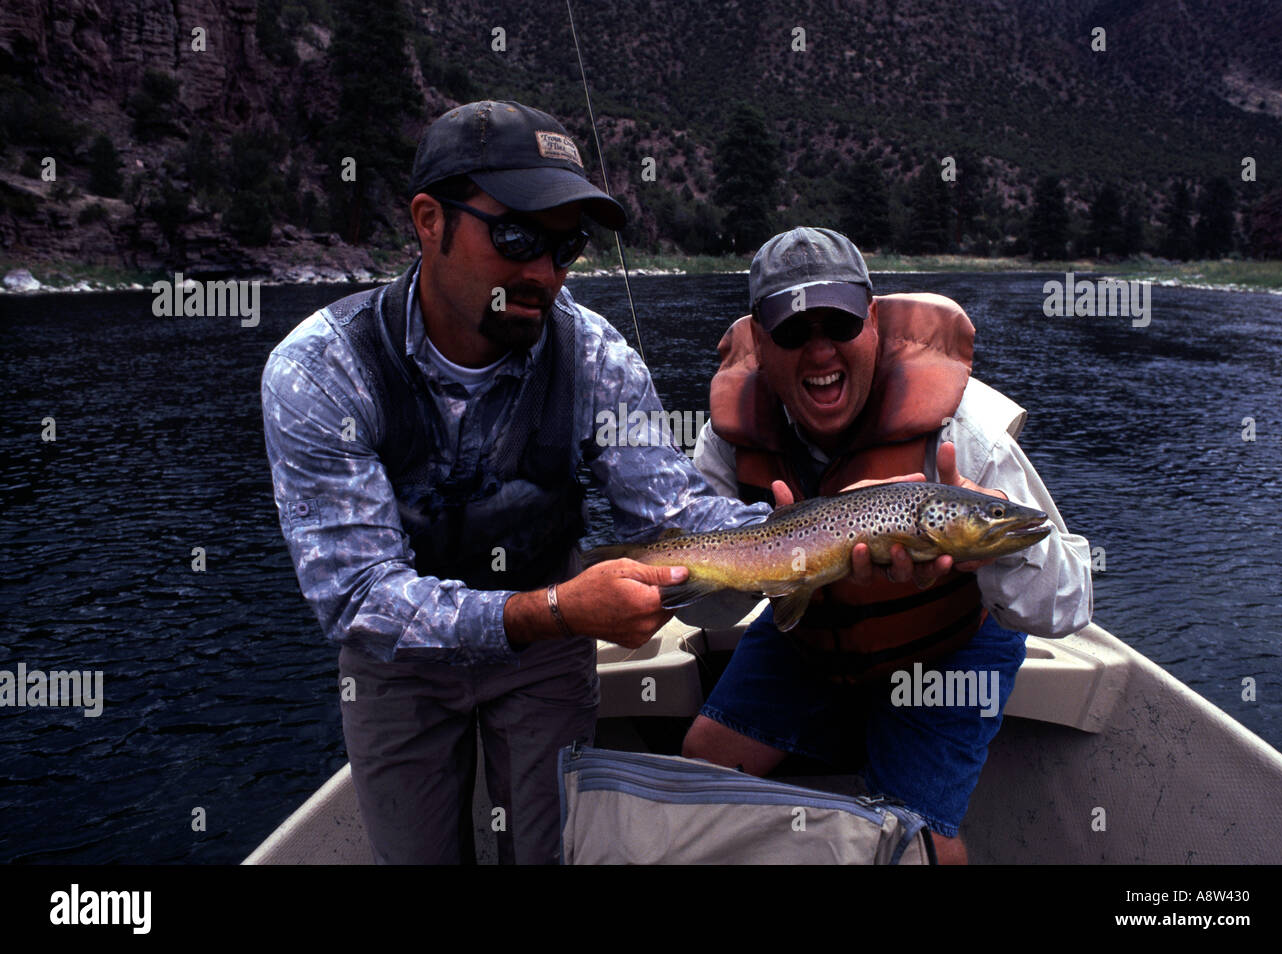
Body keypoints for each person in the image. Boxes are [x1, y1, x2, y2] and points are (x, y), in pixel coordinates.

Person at [259, 100, 783, 864]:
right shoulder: (321, 372)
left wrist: (815, 533)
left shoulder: (598, 359)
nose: (543, 272)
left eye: (565, 246)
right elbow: (360, 597)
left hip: (548, 653)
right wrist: (553, 609)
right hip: (399, 667)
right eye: (515, 236)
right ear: (428, 220)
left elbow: (676, 512)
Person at [682, 227, 1093, 864]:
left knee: (917, 842)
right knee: (701, 767)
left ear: (872, 321)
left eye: (839, 326)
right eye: (793, 333)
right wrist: (738, 564)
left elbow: (1069, 604)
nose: (820, 353)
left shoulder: (967, 431)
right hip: (810, 629)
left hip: (948, 644)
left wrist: (998, 549)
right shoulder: (727, 442)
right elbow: (698, 614)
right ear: (759, 343)